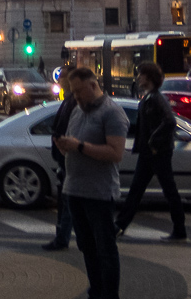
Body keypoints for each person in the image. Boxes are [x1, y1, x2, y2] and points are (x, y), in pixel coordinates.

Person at [52, 68, 129, 299]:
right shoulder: (77, 111)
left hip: (99, 192)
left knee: (105, 248)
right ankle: (96, 290)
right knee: (86, 245)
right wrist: (64, 146)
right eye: (72, 92)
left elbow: (115, 153)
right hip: (74, 189)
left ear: (93, 86)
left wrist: (79, 147)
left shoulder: (112, 113)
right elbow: (74, 142)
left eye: (78, 91)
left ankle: (109, 294)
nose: (75, 96)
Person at [115, 62, 186, 242]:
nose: (138, 78)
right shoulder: (149, 97)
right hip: (150, 152)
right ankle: (120, 225)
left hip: (157, 152)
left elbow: (170, 122)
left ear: (149, 78)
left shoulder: (155, 98)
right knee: (137, 190)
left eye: (141, 75)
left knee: (166, 191)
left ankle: (180, 230)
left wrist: (153, 140)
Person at [42, 64, 77, 251]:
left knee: (68, 202)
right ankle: (62, 236)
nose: (59, 80)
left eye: (62, 76)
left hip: (69, 158)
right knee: (67, 201)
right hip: (64, 157)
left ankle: (62, 238)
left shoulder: (74, 102)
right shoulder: (68, 99)